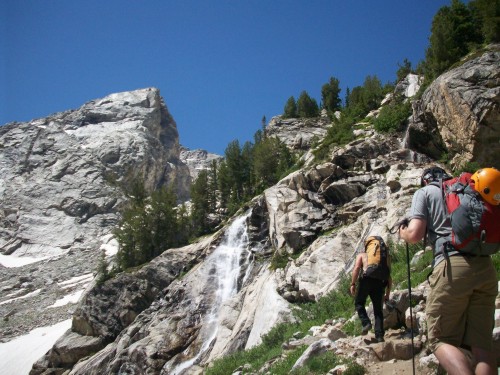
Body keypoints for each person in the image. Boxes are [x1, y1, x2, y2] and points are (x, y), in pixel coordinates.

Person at [399, 166, 498, 375]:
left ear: (425, 180)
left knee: (440, 339)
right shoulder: (467, 189)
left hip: (452, 267)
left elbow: (415, 234)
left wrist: (403, 233)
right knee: (482, 344)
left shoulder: (425, 192)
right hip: (485, 267)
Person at [349, 237, 392, 342]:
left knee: (359, 303)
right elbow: (389, 278)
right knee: (378, 310)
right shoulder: (384, 258)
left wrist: (353, 284)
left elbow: (356, 268)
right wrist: (387, 294)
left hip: (366, 280)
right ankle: (379, 336)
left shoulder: (362, 255)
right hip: (380, 282)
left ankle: (366, 322)